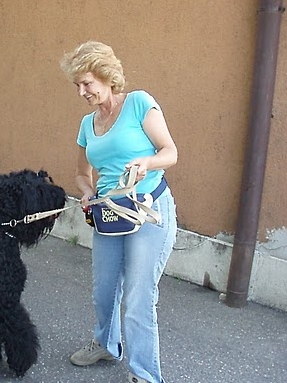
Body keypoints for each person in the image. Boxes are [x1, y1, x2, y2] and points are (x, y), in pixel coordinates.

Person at [59, 41, 178, 383]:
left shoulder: (139, 103)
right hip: (108, 213)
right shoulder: (87, 124)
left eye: (86, 83)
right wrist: (86, 193)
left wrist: (148, 162)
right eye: (77, 85)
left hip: (146, 209)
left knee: (139, 295)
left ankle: (145, 375)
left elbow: (170, 152)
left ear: (106, 77)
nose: (81, 91)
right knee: (104, 288)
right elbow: (82, 175)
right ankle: (106, 344)